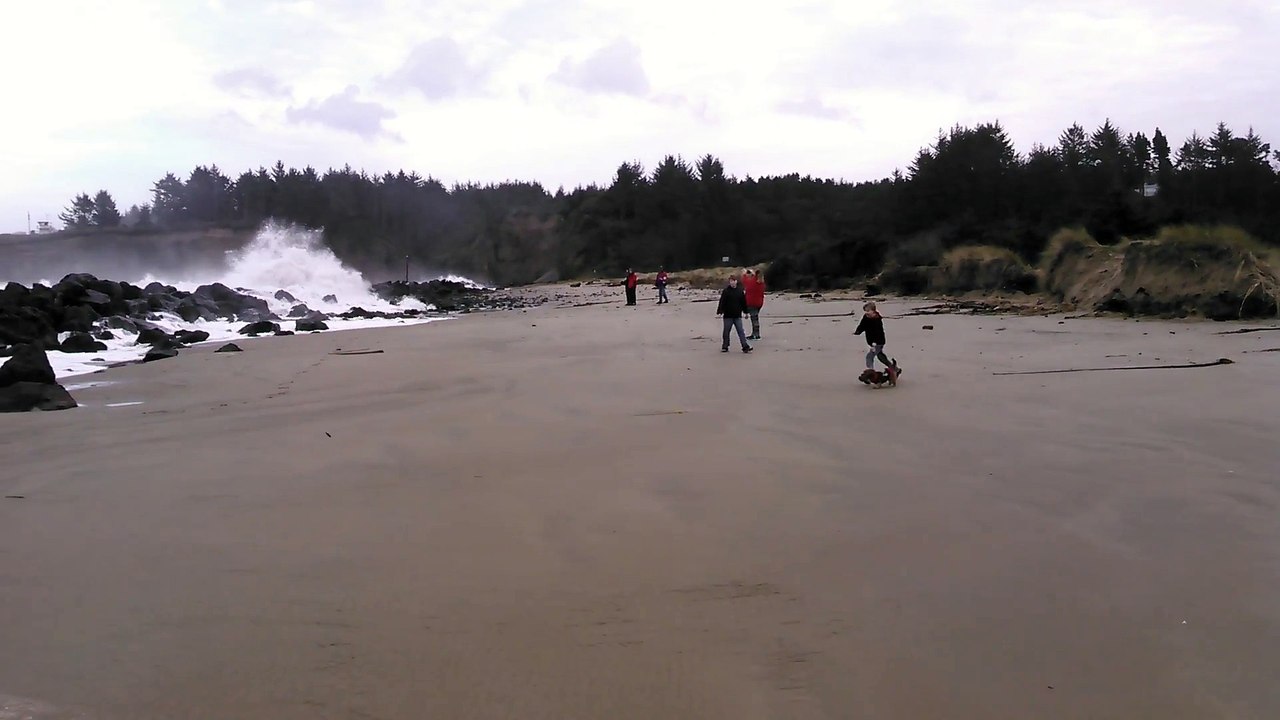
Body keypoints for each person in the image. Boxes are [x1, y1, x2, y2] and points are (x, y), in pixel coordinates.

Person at [854, 301, 896, 382]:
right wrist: (858, 331)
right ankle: (894, 368)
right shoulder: (866, 317)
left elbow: (879, 332)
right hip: (871, 341)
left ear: (873, 310)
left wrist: (875, 343)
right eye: (865, 311)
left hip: (878, 342)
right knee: (880, 356)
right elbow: (862, 325)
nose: (867, 313)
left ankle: (870, 372)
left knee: (869, 356)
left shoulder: (877, 319)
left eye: (868, 311)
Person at [716, 275, 753, 354]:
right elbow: (722, 302)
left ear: (736, 281)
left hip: (737, 315)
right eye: (731, 281)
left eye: (733, 281)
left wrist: (746, 312)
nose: (732, 282)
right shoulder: (726, 291)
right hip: (728, 315)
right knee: (726, 332)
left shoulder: (740, 291)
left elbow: (743, 303)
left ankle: (745, 346)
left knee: (741, 331)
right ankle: (725, 346)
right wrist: (720, 311)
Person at [742, 269, 766, 339]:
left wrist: (744, 274)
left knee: (754, 319)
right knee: (755, 318)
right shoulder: (762, 283)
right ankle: (756, 333)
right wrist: (752, 274)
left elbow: (745, 281)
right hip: (759, 303)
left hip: (751, 303)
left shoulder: (752, 282)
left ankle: (755, 334)